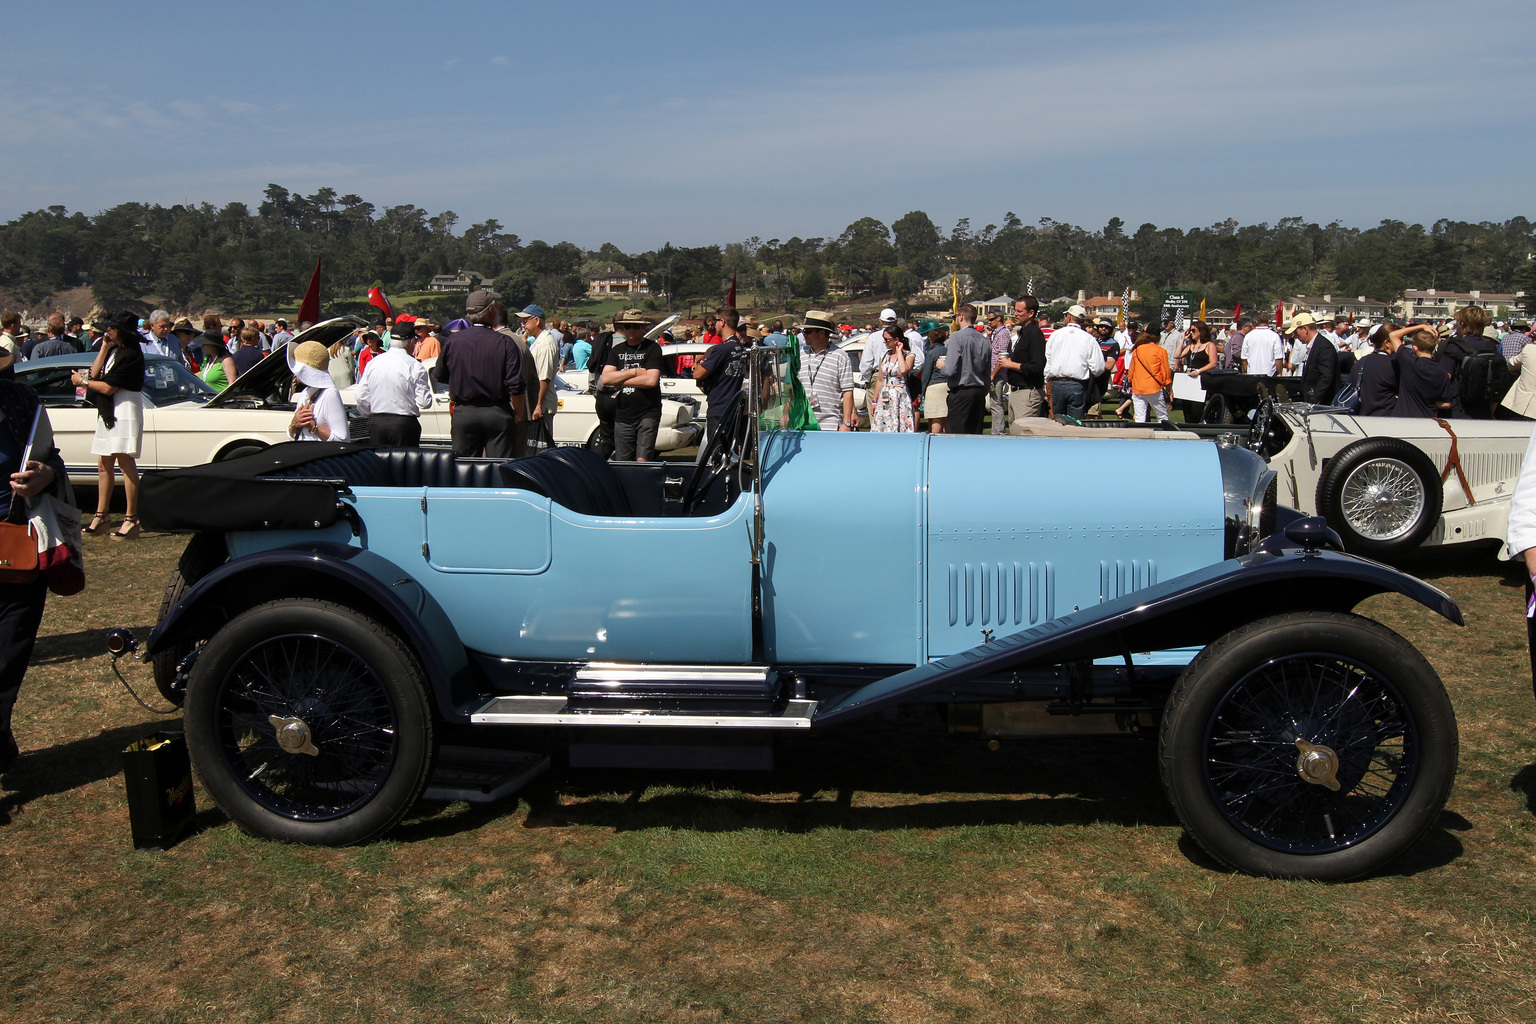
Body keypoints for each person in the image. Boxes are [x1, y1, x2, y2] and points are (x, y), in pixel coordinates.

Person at [0, 376, 71, 772]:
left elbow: (52, 459)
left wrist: (46, 474)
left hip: (18, 549)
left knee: (8, 659)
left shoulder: (19, 399)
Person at [71, 310, 145, 539]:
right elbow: (96, 373)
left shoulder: (131, 354)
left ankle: (132, 517)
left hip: (124, 409)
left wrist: (82, 382)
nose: (107, 331)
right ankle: (101, 515)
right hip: (109, 411)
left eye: (111, 329)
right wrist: (103, 348)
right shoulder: (114, 350)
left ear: (122, 331)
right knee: (103, 463)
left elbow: (107, 387)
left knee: (125, 462)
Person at [432, 289, 524, 458]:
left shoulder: (454, 341)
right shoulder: (504, 342)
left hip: (464, 412)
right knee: (499, 470)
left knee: (464, 471)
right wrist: (517, 413)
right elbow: (515, 384)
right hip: (497, 412)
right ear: (491, 311)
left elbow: (440, 375)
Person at [601, 309, 663, 461]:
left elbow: (651, 380)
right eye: (628, 326)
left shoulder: (652, 348)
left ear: (642, 328)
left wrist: (619, 378)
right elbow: (605, 379)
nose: (631, 330)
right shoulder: (617, 351)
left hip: (648, 412)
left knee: (643, 460)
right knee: (623, 461)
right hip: (623, 414)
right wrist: (635, 372)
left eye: (636, 326)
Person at [357, 331, 432, 446]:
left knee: (378, 462)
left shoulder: (373, 363)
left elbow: (361, 396)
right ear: (411, 342)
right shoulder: (415, 366)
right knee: (404, 463)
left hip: (378, 423)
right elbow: (424, 402)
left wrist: (370, 414)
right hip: (404, 424)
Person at [1042, 304, 1105, 421]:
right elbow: (1098, 368)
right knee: (1075, 423)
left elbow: (1048, 361)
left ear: (1069, 317)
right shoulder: (1088, 338)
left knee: (1058, 421)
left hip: (1057, 382)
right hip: (1077, 384)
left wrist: (1046, 382)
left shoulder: (1055, 335)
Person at [796, 311, 855, 431]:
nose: (804, 335)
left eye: (808, 332)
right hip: (803, 424)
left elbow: (847, 391)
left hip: (830, 424)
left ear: (822, 333)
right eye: (803, 331)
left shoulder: (840, 356)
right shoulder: (800, 354)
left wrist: (846, 422)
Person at [695, 308, 746, 440]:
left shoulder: (723, 348)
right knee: (727, 454)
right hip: (732, 407)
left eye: (716, 321)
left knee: (717, 454)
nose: (714, 325)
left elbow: (698, 374)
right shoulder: (739, 347)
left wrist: (698, 364)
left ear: (722, 322)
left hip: (719, 408)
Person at [286, 340, 350, 443]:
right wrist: (294, 425)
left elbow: (342, 439)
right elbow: (295, 435)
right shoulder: (305, 393)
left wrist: (312, 426)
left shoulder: (330, 394)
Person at [941, 305, 991, 434]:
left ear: (961, 316)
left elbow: (950, 370)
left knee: (956, 435)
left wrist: (942, 366)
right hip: (979, 392)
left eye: (955, 317)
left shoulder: (957, 337)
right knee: (975, 434)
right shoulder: (985, 340)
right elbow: (987, 372)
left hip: (961, 391)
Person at [997, 296, 1047, 420]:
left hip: (1028, 392)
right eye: (1015, 311)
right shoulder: (1024, 333)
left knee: (1024, 435)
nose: (1015, 314)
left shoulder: (1035, 334)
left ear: (1031, 313)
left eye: (1019, 311)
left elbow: (1036, 367)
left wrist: (1010, 364)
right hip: (1016, 392)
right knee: (1015, 435)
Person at [1389, 325, 1452, 418]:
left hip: (1403, 417)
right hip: (1427, 419)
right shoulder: (1443, 373)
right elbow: (1447, 404)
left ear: (1415, 347)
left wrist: (1422, 326)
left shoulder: (1410, 363)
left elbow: (1393, 335)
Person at [869, 326, 916, 433]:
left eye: (887, 339)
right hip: (885, 394)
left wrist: (899, 351)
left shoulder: (909, 355)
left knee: (900, 426)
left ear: (896, 340)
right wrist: (875, 401)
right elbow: (880, 380)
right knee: (881, 426)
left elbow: (903, 370)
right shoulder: (884, 355)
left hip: (900, 395)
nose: (884, 342)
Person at [1352, 323, 1400, 416]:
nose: (1402, 343)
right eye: (1399, 340)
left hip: (1361, 416)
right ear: (1387, 343)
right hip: (1386, 417)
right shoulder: (1393, 364)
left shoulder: (1362, 361)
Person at [528, 312, 560, 450]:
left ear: (536, 320)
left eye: (525, 321)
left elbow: (544, 378)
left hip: (543, 405)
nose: (523, 326)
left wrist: (538, 405)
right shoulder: (538, 341)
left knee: (542, 447)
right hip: (537, 403)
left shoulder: (546, 343)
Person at [1126, 331, 1173, 423]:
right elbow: (1165, 372)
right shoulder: (1161, 350)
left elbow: (1131, 370)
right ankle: (1164, 435)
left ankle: (1140, 436)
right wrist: (1169, 388)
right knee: (1162, 416)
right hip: (1154, 387)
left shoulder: (1137, 349)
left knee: (1139, 417)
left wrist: (1131, 380)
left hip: (1138, 387)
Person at [1292, 313, 1339, 405]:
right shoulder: (1314, 346)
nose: (1296, 337)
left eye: (1296, 333)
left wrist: (1316, 399)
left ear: (1305, 329)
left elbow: (1326, 377)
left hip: (1323, 403)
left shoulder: (1324, 347)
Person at [985, 310, 1014, 434]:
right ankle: (996, 431)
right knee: (994, 404)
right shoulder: (998, 333)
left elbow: (1002, 357)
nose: (989, 322)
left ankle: (999, 432)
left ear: (999, 319)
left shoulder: (1003, 334)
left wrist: (992, 374)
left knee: (996, 404)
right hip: (995, 373)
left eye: (991, 319)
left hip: (998, 374)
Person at [918, 321, 949, 433]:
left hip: (934, 386)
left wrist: (921, 392)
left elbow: (926, 374)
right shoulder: (948, 351)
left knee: (935, 417)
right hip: (947, 385)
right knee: (945, 417)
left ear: (931, 339)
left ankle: (934, 439)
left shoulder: (931, 353)